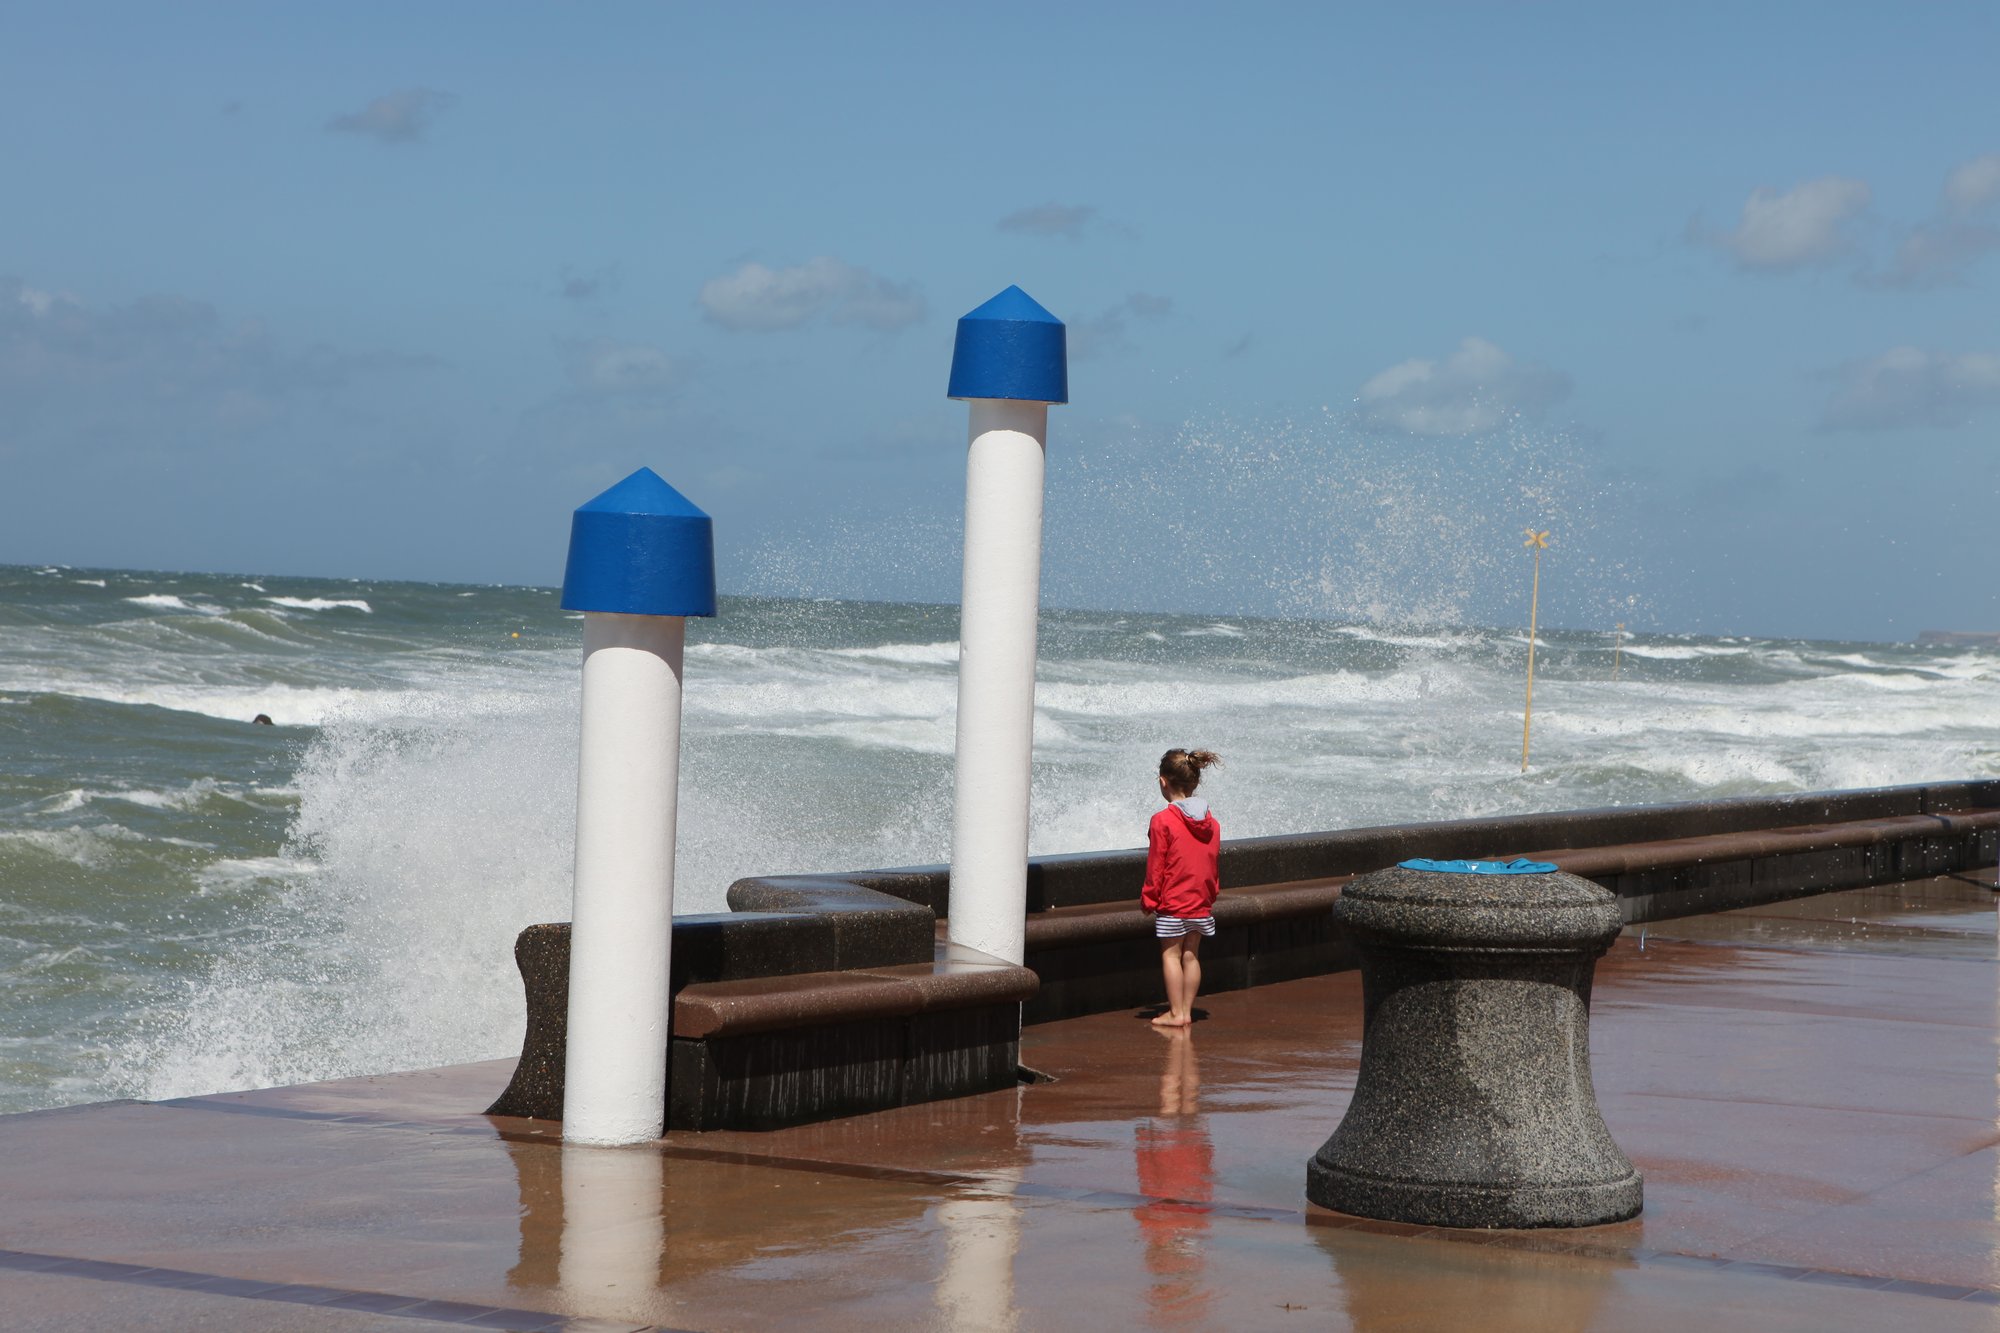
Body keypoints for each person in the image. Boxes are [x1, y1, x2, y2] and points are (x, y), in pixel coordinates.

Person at [1141, 748, 1222, 1028]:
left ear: (1163, 781)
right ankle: (1186, 1011)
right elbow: (1211, 861)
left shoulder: (1162, 821)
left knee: (1171, 954)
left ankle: (1176, 1013)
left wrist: (1149, 898)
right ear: (1194, 783)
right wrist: (1212, 892)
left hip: (1173, 902)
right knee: (1191, 955)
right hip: (1200, 900)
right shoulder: (1211, 822)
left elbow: (1156, 866)